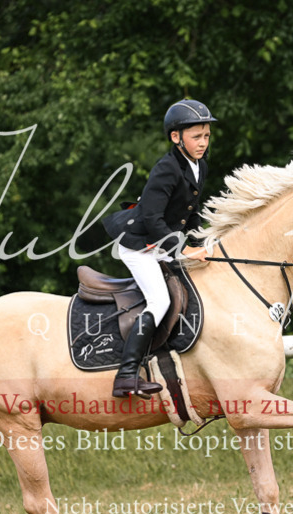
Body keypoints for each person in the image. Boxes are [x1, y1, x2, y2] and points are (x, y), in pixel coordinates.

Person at [102, 99, 216, 398]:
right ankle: (126, 375)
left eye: (206, 135)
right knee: (159, 302)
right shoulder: (166, 169)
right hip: (140, 244)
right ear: (176, 137)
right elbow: (152, 218)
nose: (203, 142)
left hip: (163, 240)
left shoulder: (198, 166)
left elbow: (190, 215)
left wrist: (204, 242)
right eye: (196, 137)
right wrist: (182, 251)